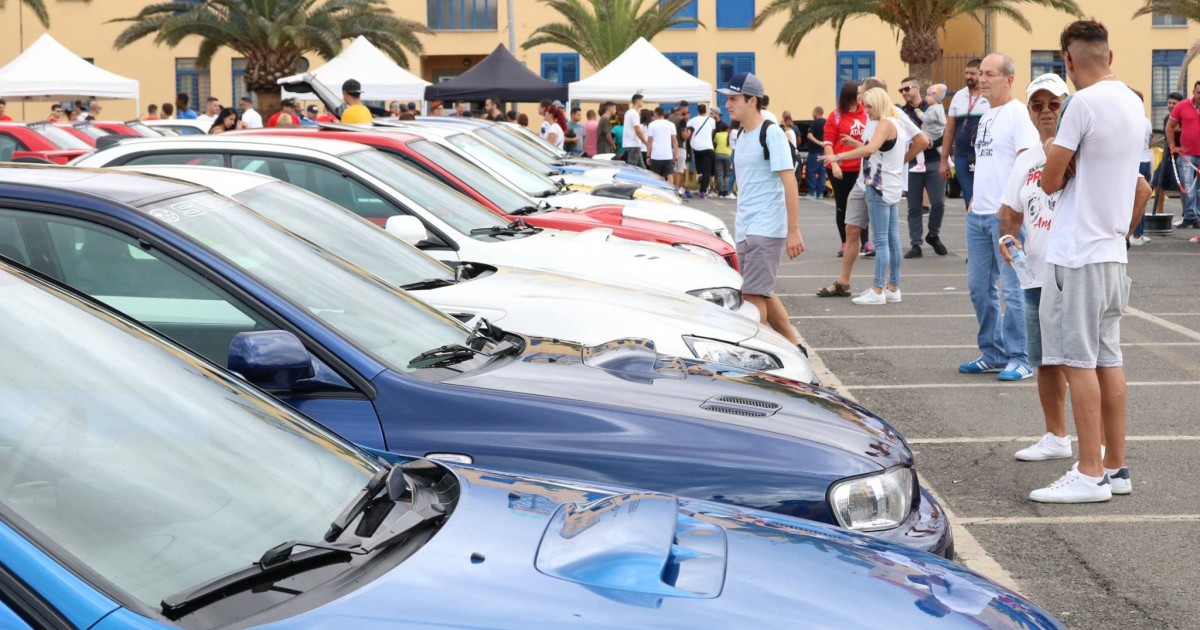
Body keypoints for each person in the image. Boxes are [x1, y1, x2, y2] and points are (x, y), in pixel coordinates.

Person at [1032, 20, 1145, 503]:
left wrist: (1062, 161)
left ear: (1069, 61)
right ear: (1111, 55)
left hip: (1077, 255)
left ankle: (1089, 471)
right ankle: (1115, 468)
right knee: (1108, 360)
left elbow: (1049, 180)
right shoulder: (1134, 105)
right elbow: (1139, 187)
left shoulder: (1082, 105)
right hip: (1112, 253)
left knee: (1078, 362)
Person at [958, 53, 1038, 382]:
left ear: (1008, 79)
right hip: (979, 216)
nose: (982, 79)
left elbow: (1026, 164)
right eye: (981, 74)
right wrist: (977, 197)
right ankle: (993, 353)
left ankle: (1022, 356)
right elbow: (990, 163)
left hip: (1007, 219)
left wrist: (1010, 209)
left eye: (990, 74)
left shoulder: (1018, 115)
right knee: (980, 288)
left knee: (1014, 288)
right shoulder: (987, 116)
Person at [721, 72, 807, 353]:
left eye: (733, 99)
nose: (728, 105)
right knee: (761, 291)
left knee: (752, 295)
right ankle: (794, 344)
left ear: (752, 100)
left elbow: (789, 180)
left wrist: (793, 230)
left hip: (766, 227)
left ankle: (754, 353)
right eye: (728, 99)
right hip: (745, 227)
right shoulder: (741, 135)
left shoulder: (771, 132)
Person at [822, 87, 908, 305]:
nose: (865, 110)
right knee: (892, 238)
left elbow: (871, 151)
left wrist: (838, 156)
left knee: (881, 240)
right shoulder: (894, 122)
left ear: (879, 104)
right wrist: (857, 144)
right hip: (890, 183)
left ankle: (878, 290)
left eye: (869, 106)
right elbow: (878, 149)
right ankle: (893, 287)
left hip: (878, 184)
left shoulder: (886, 123)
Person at [898, 78, 947, 259]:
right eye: (901, 90)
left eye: (907, 89)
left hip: (933, 160)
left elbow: (945, 131)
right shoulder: (902, 112)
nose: (903, 93)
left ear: (918, 89)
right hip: (912, 163)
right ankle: (915, 243)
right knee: (914, 206)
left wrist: (932, 143)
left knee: (939, 203)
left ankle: (933, 234)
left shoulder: (934, 106)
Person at [823, 81, 869, 260]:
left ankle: (865, 242)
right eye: (858, 92)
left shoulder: (867, 112)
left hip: (861, 167)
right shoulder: (835, 116)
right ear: (849, 94)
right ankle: (845, 242)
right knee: (842, 205)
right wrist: (834, 164)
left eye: (862, 92)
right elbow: (828, 142)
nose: (861, 95)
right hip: (840, 167)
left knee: (864, 204)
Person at [941, 59, 989, 209]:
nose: (968, 76)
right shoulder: (959, 96)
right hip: (962, 157)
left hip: (985, 156)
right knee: (969, 198)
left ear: (981, 74)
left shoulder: (989, 95)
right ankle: (974, 227)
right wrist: (944, 160)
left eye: (972, 73)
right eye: (966, 73)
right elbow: (949, 129)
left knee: (986, 198)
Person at [1166, 81, 1200, 228]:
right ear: (1193, 92)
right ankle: (1191, 216)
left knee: (1197, 189)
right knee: (1188, 187)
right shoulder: (1182, 106)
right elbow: (1169, 126)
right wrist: (1173, 146)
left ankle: (1194, 215)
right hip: (1187, 154)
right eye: (1199, 93)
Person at [1152, 91, 1183, 215]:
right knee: (1157, 182)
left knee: (1183, 187)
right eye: (1169, 103)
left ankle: (1188, 214)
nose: (1171, 105)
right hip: (1168, 157)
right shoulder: (1167, 119)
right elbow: (1174, 128)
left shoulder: (1186, 118)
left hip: (1182, 156)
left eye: (1174, 103)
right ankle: (1160, 212)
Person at [1129, 90, 1153, 246]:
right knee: (1142, 199)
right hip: (1146, 162)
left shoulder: (1131, 120)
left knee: (1131, 200)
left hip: (1135, 162)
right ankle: (1140, 233)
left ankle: (1135, 235)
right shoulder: (1147, 121)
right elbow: (1149, 141)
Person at [684, 104, 717, 198]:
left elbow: (689, 131)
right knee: (706, 169)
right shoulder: (711, 120)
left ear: (697, 110)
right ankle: (703, 191)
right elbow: (712, 132)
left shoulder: (692, 120)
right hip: (708, 146)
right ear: (706, 110)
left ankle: (700, 175)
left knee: (698, 165)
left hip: (696, 147)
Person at [645, 107, 677, 180]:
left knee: (656, 176)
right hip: (668, 155)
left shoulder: (652, 125)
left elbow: (649, 141)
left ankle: (657, 191)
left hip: (656, 155)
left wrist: (648, 155)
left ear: (656, 113)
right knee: (669, 175)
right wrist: (675, 155)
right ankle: (671, 190)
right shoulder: (671, 124)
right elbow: (675, 141)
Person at [805, 106, 827, 198]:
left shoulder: (814, 123)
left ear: (816, 112)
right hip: (825, 152)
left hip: (814, 152)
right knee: (822, 173)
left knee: (811, 172)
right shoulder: (827, 122)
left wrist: (819, 143)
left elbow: (809, 136)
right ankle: (820, 193)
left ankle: (812, 192)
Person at [622, 94, 648, 167]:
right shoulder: (635, 114)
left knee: (641, 168)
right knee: (632, 168)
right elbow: (638, 130)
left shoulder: (628, 113)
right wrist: (646, 142)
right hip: (634, 144)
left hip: (631, 144)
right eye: (642, 100)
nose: (643, 102)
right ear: (637, 100)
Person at [714, 120, 733, 198]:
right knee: (727, 174)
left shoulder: (717, 134)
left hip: (718, 154)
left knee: (719, 174)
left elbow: (715, 143)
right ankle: (726, 191)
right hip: (727, 155)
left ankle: (721, 191)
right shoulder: (729, 135)